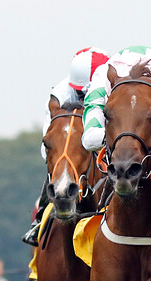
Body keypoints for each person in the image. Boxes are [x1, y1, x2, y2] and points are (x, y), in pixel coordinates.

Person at [22, 47, 111, 247]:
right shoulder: (59, 93)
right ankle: (38, 224)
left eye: (87, 92)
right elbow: (47, 146)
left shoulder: (113, 90)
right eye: (80, 93)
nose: (84, 97)